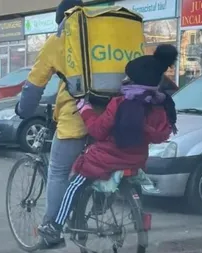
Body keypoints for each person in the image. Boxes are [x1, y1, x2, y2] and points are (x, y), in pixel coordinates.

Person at [37, 44, 178, 249]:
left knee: (74, 184)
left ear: (132, 80)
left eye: (126, 77)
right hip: (136, 159)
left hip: (106, 158)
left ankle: (54, 227)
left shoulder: (120, 103)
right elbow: (161, 133)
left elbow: (97, 131)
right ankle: (104, 206)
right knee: (100, 175)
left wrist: (85, 109)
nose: (123, 80)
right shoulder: (159, 105)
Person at [15, 0, 88, 225]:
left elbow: (34, 85)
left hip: (76, 119)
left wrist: (23, 110)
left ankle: (51, 229)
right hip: (112, 117)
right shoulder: (102, 38)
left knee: (58, 171)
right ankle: (87, 212)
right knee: (92, 169)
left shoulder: (59, 41)